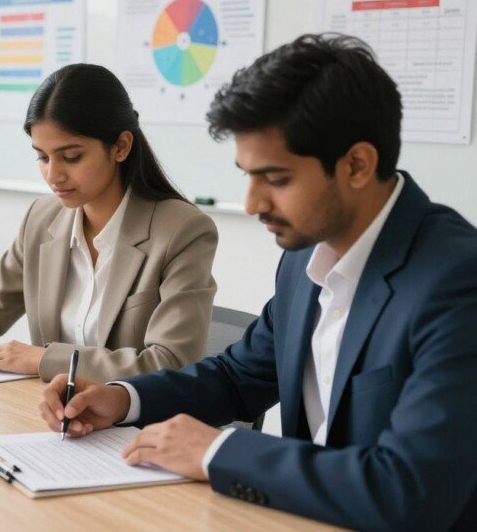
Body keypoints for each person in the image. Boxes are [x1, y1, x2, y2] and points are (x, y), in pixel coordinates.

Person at [38, 35, 477, 530]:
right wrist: (122, 399)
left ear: (357, 164)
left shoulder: (456, 282)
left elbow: (411, 490)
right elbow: (237, 377)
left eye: (276, 178)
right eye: (247, 175)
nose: (252, 204)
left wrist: (219, 449)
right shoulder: (306, 255)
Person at [0, 64, 218, 382]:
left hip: (132, 424)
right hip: (49, 417)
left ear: (121, 146)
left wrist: (47, 359)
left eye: (71, 157)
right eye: (42, 157)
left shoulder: (182, 232)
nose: (53, 175)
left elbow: (170, 363)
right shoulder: (42, 218)